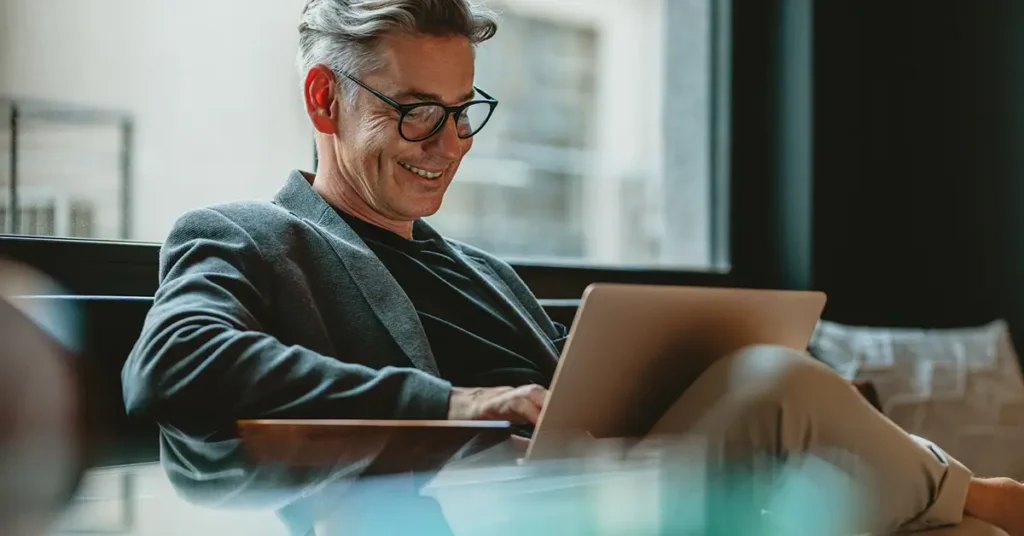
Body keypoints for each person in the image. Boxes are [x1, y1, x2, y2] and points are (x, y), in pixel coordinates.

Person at [121, 1, 1024, 535]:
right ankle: (971, 489)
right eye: (416, 113)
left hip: (610, 490)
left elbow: (580, 383)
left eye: (464, 109)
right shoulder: (247, 234)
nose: (452, 145)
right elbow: (174, 363)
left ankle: (954, 503)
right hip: (462, 514)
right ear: (324, 96)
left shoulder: (480, 271)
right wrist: (455, 403)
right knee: (773, 389)